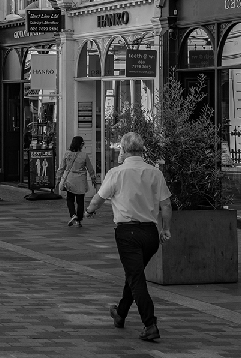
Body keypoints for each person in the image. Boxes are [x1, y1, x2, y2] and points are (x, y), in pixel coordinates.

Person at [85, 132, 171, 343]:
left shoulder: (116, 173)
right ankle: (120, 313)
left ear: (123, 151)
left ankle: (150, 324)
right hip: (150, 233)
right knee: (135, 274)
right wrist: (165, 229)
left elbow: (98, 199)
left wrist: (88, 211)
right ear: (142, 150)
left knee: (136, 277)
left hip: (127, 233)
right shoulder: (154, 173)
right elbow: (166, 204)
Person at [57, 136, 99, 227]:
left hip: (70, 180)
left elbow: (61, 168)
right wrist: (93, 179)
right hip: (81, 181)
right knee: (80, 201)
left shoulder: (67, 154)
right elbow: (90, 169)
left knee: (70, 199)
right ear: (80, 144)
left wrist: (58, 178)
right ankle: (79, 219)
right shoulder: (84, 155)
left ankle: (73, 215)